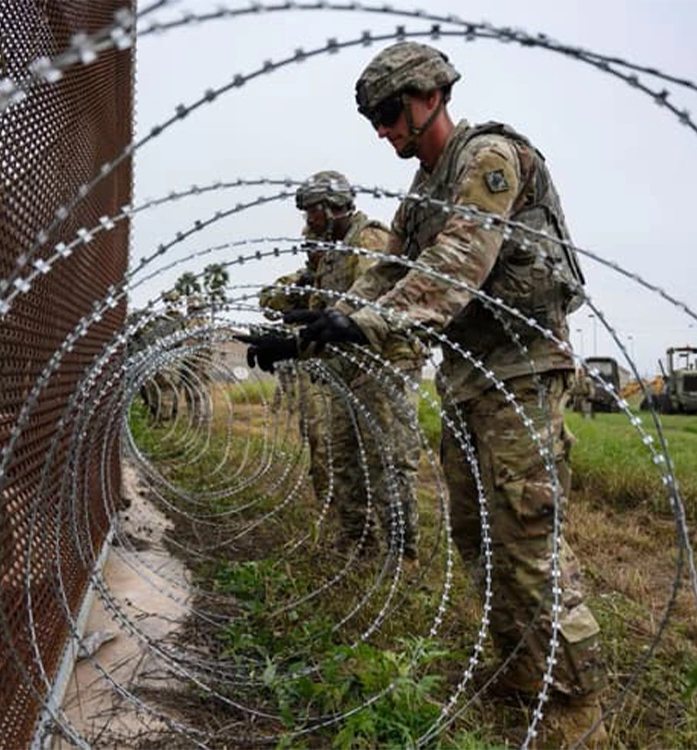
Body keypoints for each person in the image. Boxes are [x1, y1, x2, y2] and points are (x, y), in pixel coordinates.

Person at [242, 42, 606, 747]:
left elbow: (460, 260)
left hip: (522, 370)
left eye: (388, 112)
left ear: (429, 95)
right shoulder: (420, 198)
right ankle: (522, 670)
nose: (382, 131)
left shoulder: (488, 159)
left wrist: (364, 320)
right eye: (373, 119)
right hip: (469, 377)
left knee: (527, 537)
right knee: (477, 534)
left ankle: (574, 703)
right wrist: (309, 335)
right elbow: (380, 281)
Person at [251, 171, 424, 562]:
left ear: (330, 208)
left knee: (387, 462)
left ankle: (401, 556)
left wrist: (309, 332)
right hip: (348, 369)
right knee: (344, 457)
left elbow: (374, 309)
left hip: (381, 366)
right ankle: (358, 542)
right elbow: (329, 318)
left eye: (310, 211)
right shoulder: (330, 252)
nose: (306, 221)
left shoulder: (368, 241)